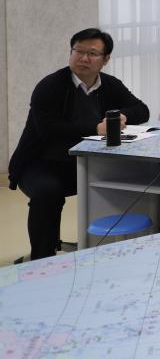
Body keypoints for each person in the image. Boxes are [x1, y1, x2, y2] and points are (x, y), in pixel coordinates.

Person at [8, 28, 149, 260]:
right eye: (78, 51)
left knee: (128, 178)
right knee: (47, 192)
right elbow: (49, 130)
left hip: (85, 162)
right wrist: (96, 128)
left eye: (92, 53)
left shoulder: (109, 84)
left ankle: (107, 247)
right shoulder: (51, 86)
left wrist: (122, 116)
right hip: (40, 162)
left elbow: (142, 109)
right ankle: (41, 258)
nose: (83, 58)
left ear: (106, 59)